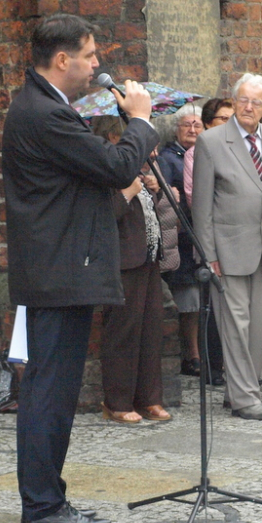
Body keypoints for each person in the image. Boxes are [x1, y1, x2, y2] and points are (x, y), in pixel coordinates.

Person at [2, 13, 158, 523]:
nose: (97, 65)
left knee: (55, 390)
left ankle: (49, 500)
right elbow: (115, 169)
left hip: (61, 269)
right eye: (91, 55)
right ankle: (43, 507)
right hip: (58, 272)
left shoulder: (47, 108)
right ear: (63, 59)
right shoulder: (44, 113)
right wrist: (139, 120)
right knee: (49, 391)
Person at [192, 73, 262, 420]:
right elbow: (201, 207)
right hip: (227, 251)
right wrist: (208, 255)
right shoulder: (213, 142)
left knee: (259, 327)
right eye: (243, 100)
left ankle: (245, 390)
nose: (249, 107)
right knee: (235, 325)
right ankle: (245, 399)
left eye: (256, 101)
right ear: (234, 102)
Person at [93, 116, 171, 425]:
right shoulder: (103, 172)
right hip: (123, 262)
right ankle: (117, 401)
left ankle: (149, 398)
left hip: (149, 259)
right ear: (115, 138)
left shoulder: (134, 171)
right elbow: (103, 217)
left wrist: (153, 189)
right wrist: (127, 192)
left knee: (151, 330)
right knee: (122, 333)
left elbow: (146, 214)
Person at [179, 98, 234, 387]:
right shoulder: (195, 154)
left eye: (231, 118)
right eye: (223, 119)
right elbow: (194, 197)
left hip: (238, 239)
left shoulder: (240, 152)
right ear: (210, 124)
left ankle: (236, 367)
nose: (229, 124)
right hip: (212, 237)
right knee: (213, 307)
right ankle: (213, 366)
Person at [158, 103, 204, 378]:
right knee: (188, 301)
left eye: (197, 125)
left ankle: (199, 351)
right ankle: (191, 354)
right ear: (176, 129)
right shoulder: (168, 157)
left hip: (201, 235)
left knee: (200, 300)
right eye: (187, 124)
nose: (192, 129)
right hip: (182, 237)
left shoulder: (205, 155)